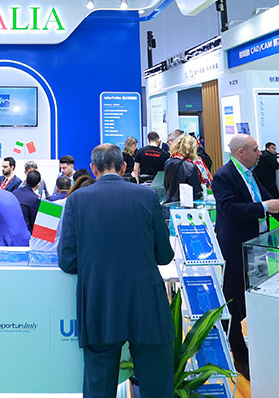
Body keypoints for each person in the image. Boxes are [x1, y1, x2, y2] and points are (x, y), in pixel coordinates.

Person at [59, 144, 174, 398]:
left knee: (98, 385)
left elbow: (67, 261)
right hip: (146, 302)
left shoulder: (77, 200)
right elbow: (165, 256)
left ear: (93, 169)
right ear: (123, 167)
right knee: (157, 384)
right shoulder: (147, 197)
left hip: (99, 303)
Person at [212, 134, 279, 379]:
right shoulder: (224, 176)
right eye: (255, 149)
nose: (260, 153)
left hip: (258, 246)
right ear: (240, 152)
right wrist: (266, 207)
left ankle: (258, 350)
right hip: (236, 248)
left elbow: (264, 198)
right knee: (234, 301)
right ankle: (239, 356)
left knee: (255, 297)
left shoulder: (251, 173)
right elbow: (230, 209)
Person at [164, 134, 203, 203]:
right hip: (186, 203)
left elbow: (166, 185)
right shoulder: (190, 166)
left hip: (171, 202)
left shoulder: (168, 162)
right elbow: (195, 193)